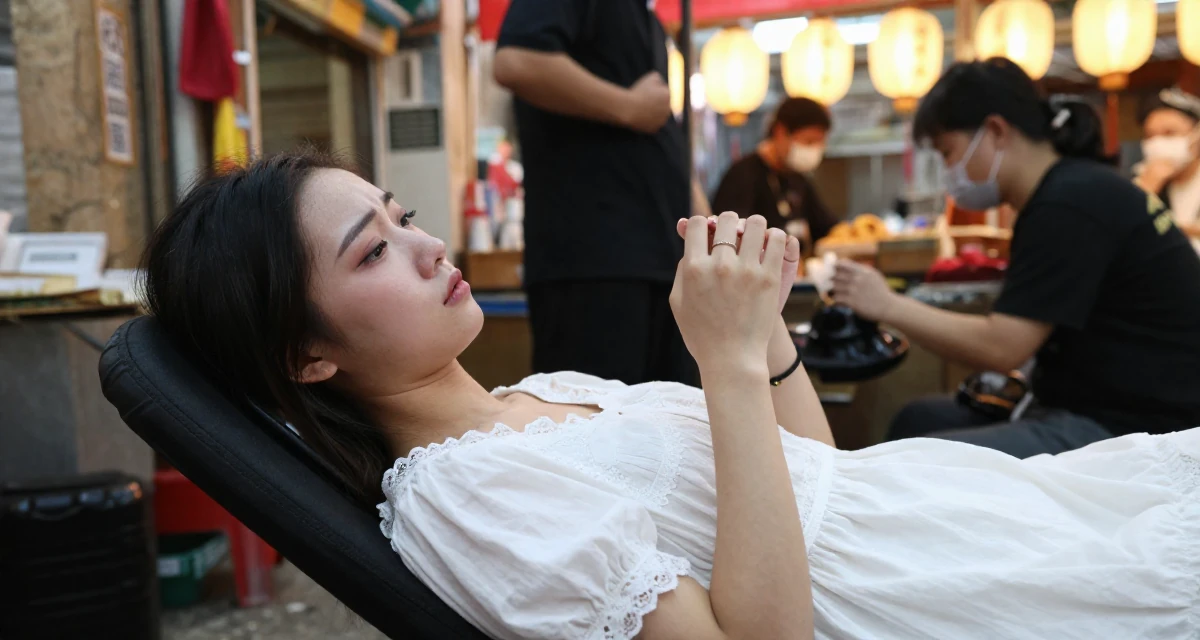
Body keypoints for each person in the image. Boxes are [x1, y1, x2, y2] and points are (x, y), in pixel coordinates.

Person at [142, 149, 1199, 639]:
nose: (425, 245)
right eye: (374, 250)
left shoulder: (538, 392)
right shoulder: (461, 497)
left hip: (951, 519)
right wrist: (725, 363)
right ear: (306, 356)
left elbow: (810, 476)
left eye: (404, 214)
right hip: (931, 596)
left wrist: (763, 333)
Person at [832, 58, 1200, 459]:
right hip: (1108, 405)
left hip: (1138, 428)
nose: (949, 172)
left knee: (911, 460)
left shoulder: (1067, 204)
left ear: (995, 131)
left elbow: (1002, 347)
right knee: (916, 421)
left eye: (948, 152)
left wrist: (886, 304)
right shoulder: (1071, 188)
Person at [492, 0, 699, 386]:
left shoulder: (646, 16)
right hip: (597, 264)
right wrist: (628, 106)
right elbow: (517, 59)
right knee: (599, 427)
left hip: (658, 262)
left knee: (669, 429)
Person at [710, 97, 841, 249]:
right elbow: (730, 237)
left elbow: (827, 228)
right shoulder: (743, 176)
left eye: (820, 144)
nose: (813, 150)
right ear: (780, 132)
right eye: (808, 142)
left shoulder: (797, 178)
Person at [1134, 87, 1200, 248]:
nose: (1158, 143)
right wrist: (1146, 191)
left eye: (1169, 133)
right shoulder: (1140, 183)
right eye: (1150, 135)